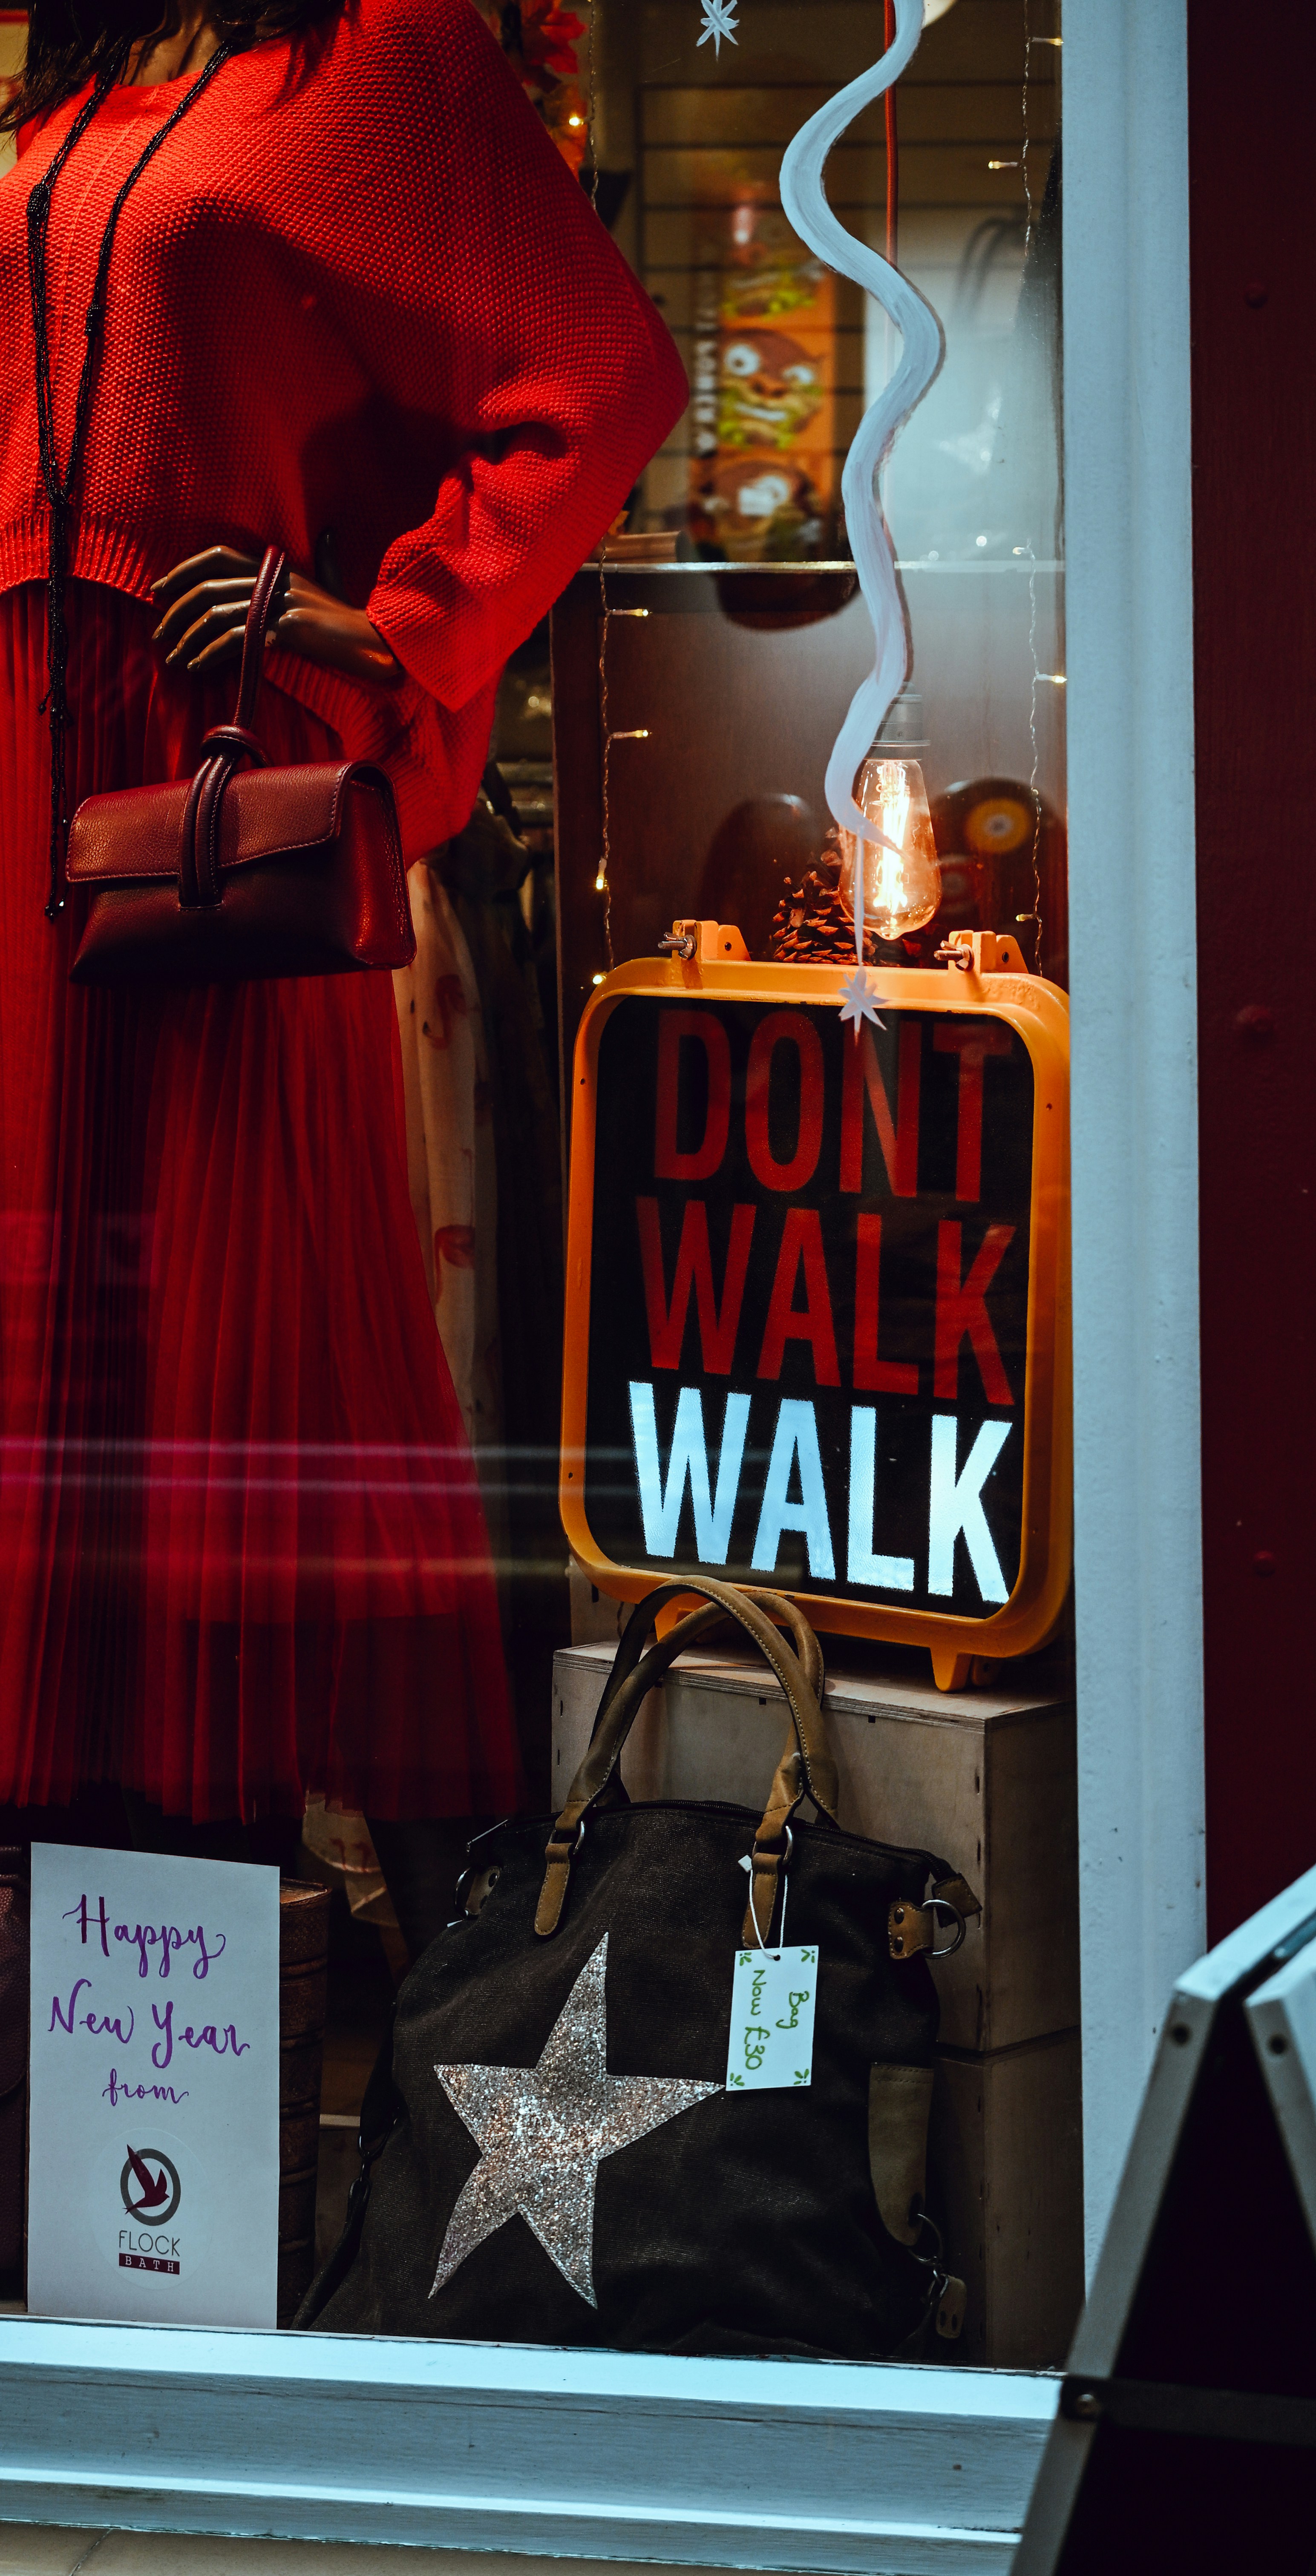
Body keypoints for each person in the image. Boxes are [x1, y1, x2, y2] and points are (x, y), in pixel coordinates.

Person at [0, 0, 687, 1949]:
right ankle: (92, 1971)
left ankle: (345, 1967)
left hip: (204, 763)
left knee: (256, 1331)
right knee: (52, 1333)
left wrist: (390, 623)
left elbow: (602, 372)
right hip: (23, 753)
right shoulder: (77, 74)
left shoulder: (376, 58)